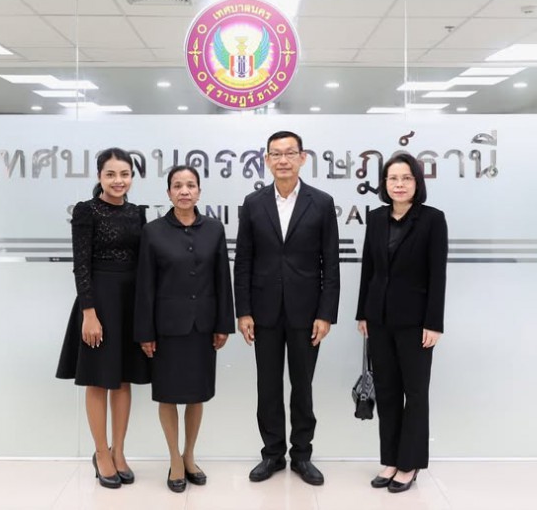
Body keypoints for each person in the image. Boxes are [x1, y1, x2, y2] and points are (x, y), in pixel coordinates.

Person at [234, 130, 340, 486]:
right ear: (266, 160)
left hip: (306, 312)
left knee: (302, 386)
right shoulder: (253, 203)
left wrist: (325, 313)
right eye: (276, 154)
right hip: (263, 310)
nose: (283, 160)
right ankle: (272, 454)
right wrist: (243, 311)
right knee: (267, 386)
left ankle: (302, 455)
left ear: (302, 158)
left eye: (289, 153)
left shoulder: (321, 202)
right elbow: (243, 261)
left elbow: (330, 263)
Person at [134, 165, 234, 493]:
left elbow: (222, 279)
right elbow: (145, 286)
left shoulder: (214, 229)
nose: (184, 191)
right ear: (168, 193)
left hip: (203, 327)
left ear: (199, 191)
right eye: (177, 185)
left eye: (190, 185)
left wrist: (223, 324)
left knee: (196, 395)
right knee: (168, 395)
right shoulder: (153, 231)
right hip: (166, 328)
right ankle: (174, 459)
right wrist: (145, 332)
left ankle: (189, 455)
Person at [56, 148, 151, 489]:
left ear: (132, 177)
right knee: (98, 380)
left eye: (124, 174)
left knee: (123, 380)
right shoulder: (86, 210)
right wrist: (89, 313)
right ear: (99, 176)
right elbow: (80, 264)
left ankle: (118, 451)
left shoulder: (137, 213)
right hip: (98, 303)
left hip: (129, 303)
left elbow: (143, 263)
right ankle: (100, 452)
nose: (118, 180)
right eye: (110, 174)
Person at [355, 153, 448, 493]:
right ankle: (391, 460)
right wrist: (363, 313)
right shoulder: (376, 218)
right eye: (393, 178)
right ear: (384, 184)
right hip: (379, 319)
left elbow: (437, 274)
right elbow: (369, 268)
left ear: (417, 182)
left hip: (416, 323)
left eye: (406, 178)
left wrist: (434, 323)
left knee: (415, 393)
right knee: (388, 392)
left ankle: (409, 464)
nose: (399, 184)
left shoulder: (432, 219)